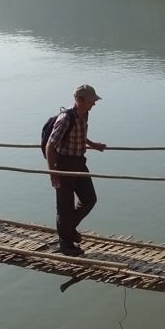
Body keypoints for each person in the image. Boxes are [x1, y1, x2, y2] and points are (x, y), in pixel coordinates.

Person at [44, 84, 107, 256]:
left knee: (89, 199)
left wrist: (94, 145)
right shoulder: (65, 118)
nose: (93, 105)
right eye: (90, 101)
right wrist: (53, 173)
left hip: (79, 162)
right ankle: (66, 243)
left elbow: (79, 134)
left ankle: (69, 229)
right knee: (64, 207)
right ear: (79, 100)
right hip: (64, 165)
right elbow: (50, 146)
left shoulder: (84, 115)